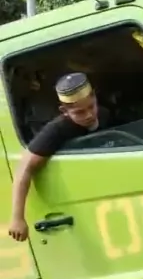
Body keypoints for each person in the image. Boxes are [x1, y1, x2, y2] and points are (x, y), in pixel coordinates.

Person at [8, 72, 108, 243]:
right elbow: (24, 168)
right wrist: (17, 218)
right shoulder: (56, 131)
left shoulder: (105, 115)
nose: (89, 115)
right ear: (64, 111)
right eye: (79, 112)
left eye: (91, 107)